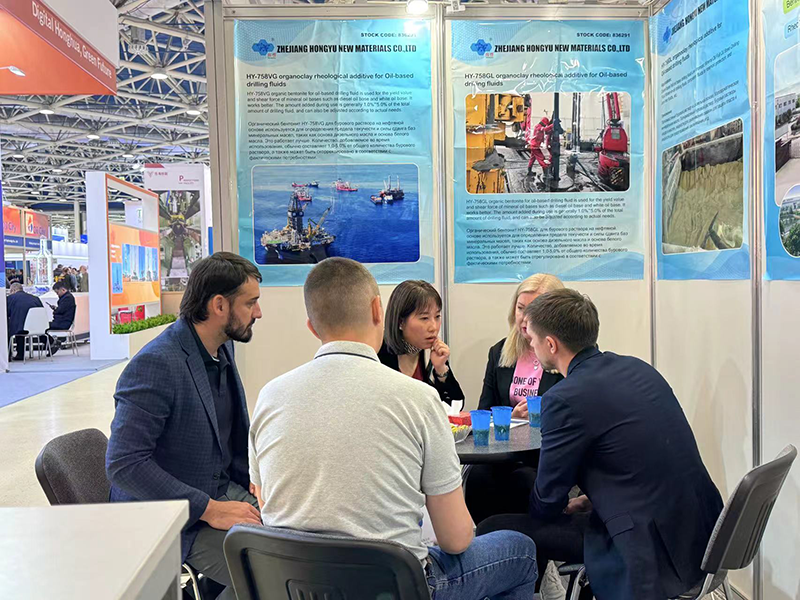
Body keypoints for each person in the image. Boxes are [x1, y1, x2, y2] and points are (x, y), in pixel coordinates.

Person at [249, 258, 538, 600]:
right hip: (393, 585)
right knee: (520, 550)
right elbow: (456, 540)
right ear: (378, 310)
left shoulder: (268, 397)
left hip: (294, 585)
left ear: (312, 327)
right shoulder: (418, 398)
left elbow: (265, 502)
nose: (433, 326)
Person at [478, 289, 724, 600]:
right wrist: (593, 498)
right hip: (702, 536)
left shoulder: (564, 399)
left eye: (533, 340)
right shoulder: (638, 369)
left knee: (492, 527)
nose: (531, 345)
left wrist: (550, 501)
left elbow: (547, 503)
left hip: (644, 549)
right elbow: (639, 458)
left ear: (551, 344)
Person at [106, 252, 264, 600]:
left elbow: (227, 440)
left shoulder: (221, 347)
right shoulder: (156, 364)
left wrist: (257, 483)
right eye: (250, 303)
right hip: (168, 518)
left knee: (298, 543)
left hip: (218, 490)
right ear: (219, 305)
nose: (258, 313)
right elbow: (123, 463)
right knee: (270, 574)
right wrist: (211, 509)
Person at [469, 273, 568, 599]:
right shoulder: (500, 352)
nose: (525, 318)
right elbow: (484, 410)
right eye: (521, 308)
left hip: (544, 456)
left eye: (533, 309)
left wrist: (543, 410)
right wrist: (509, 416)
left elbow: (573, 411)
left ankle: (536, 573)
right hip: (502, 454)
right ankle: (491, 572)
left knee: (526, 484)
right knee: (478, 479)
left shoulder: (561, 353)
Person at [378, 280, 465, 407]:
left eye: (437, 316)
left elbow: (456, 405)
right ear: (400, 322)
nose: (433, 327)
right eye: (424, 318)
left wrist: (441, 369)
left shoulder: (432, 352)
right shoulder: (378, 353)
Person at [6, 283, 44, 361]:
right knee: (20, 323)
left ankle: (8, 355)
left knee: (9, 329)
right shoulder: (35, 298)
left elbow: (6, 313)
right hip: (36, 328)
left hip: (18, 328)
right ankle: (51, 343)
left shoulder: (10, 298)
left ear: (13, 290)